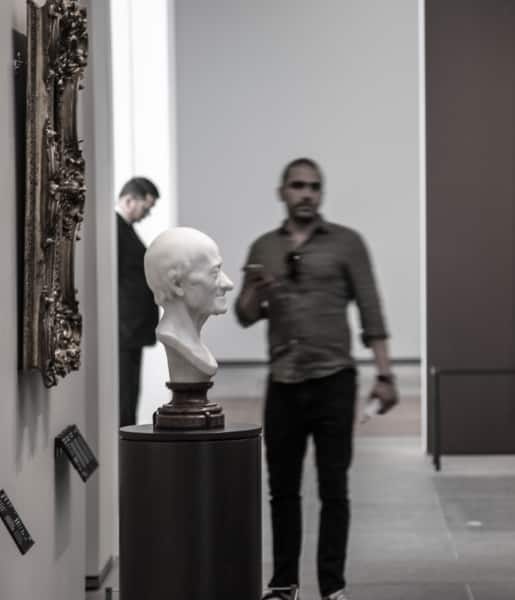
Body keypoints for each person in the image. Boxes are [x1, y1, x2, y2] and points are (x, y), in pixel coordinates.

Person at [236, 158, 397, 600]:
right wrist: (255, 291)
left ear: (321, 193)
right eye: (298, 186)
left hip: (333, 380)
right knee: (282, 489)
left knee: (334, 488)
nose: (306, 193)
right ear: (282, 192)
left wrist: (385, 374)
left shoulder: (347, 243)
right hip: (283, 381)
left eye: (314, 186)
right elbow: (245, 315)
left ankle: (332, 587)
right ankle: (284, 583)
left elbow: (371, 311)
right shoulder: (263, 247)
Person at [144, 227, 234, 383]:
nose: (228, 284)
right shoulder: (177, 340)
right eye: (214, 273)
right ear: (177, 284)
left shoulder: (191, 343)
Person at [117, 176, 160, 426]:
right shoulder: (116, 230)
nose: (147, 213)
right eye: (147, 207)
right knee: (124, 398)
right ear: (130, 200)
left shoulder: (125, 230)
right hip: (124, 332)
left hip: (131, 332)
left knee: (129, 396)